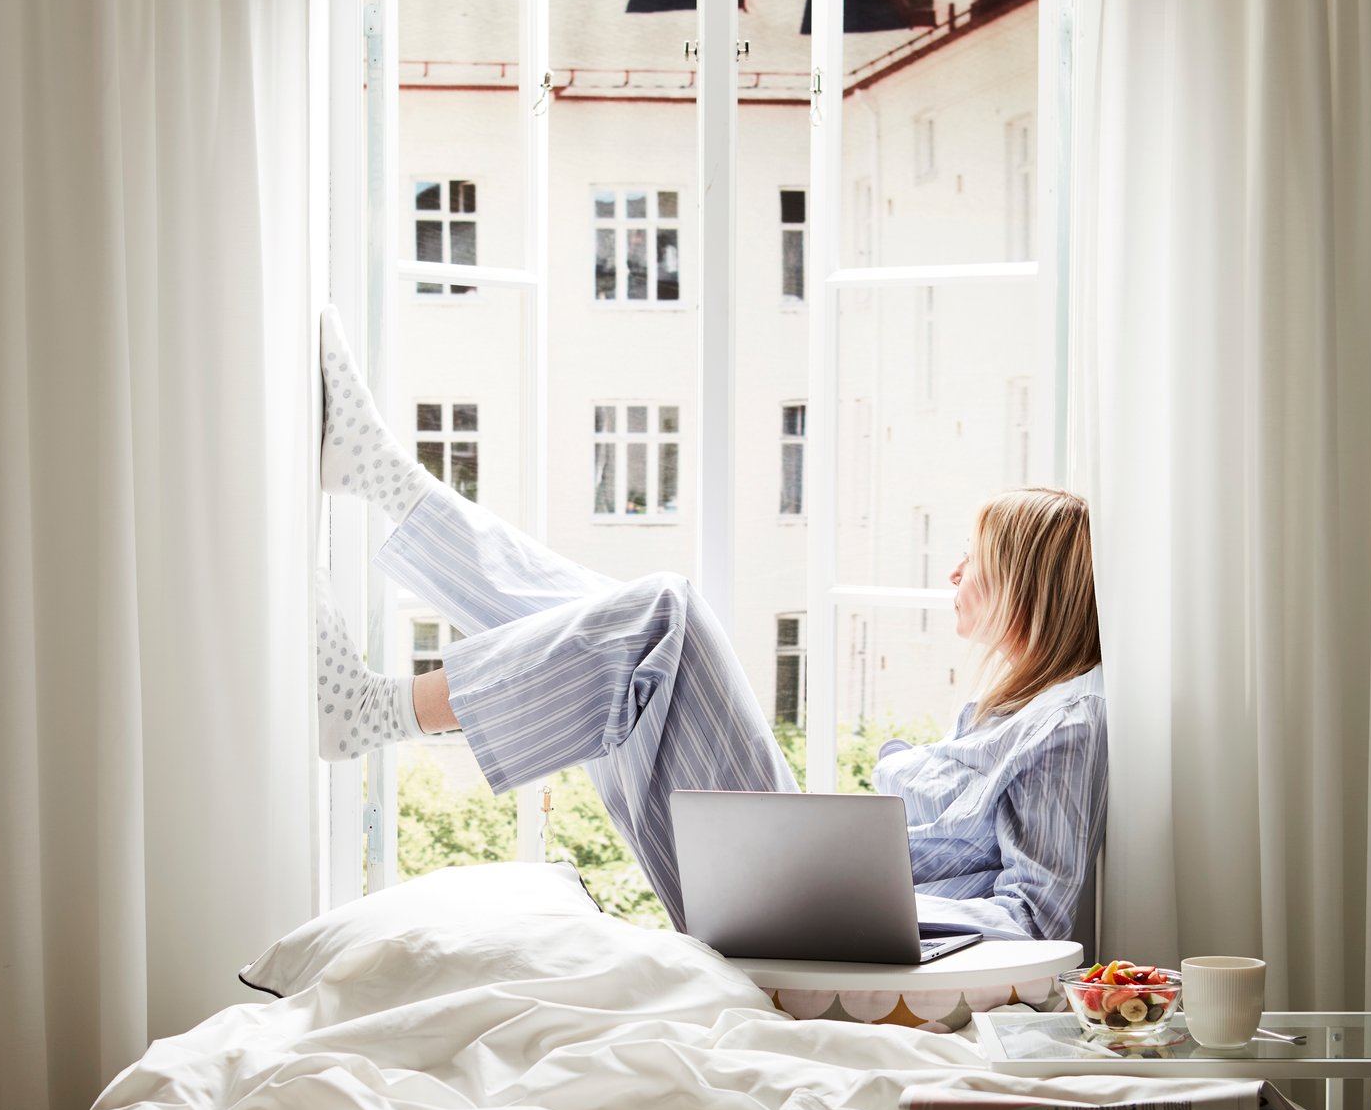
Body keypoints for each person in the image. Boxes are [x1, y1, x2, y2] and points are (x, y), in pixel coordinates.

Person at [315, 307, 1106, 943]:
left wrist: (882, 914)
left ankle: (377, 701)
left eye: (977, 561)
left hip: (808, 908)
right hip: (800, 888)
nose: (955, 574)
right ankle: (386, 482)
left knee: (663, 615)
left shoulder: (1068, 726)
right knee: (615, 624)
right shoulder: (1011, 716)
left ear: (1030, 591)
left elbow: (1039, 918)